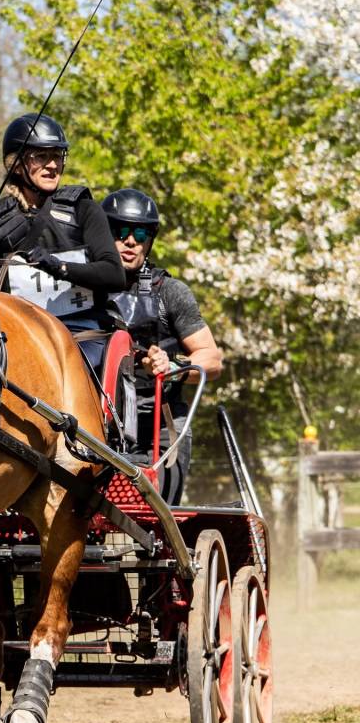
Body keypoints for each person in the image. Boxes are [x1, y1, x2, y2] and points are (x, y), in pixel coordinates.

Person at [0, 114, 125, 367]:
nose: (53, 165)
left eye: (57, 156)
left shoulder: (84, 209)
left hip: (82, 333)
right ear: (16, 165)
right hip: (20, 335)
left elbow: (114, 273)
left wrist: (60, 268)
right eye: (41, 156)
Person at [101, 187, 223, 503]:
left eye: (140, 233)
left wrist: (172, 366)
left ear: (150, 240)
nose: (130, 241)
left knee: (154, 520)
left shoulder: (170, 292)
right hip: (98, 424)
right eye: (120, 232)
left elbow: (212, 359)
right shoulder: (81, 291)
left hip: (160, 426)